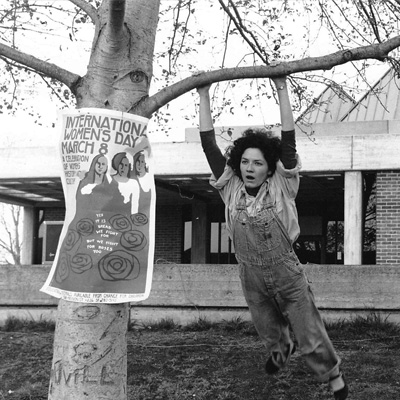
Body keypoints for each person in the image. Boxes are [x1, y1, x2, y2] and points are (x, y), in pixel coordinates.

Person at [196, 76, 348, 400]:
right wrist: (204, 94)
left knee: (310, 333)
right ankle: (281, 350)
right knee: (266, 327)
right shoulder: (231, 189)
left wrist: (281, 88)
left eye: (258, 163)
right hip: (250, 273)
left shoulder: (283, 185)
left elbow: (289, 140)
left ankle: (332, 374)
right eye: (245, 162)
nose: (250, 168)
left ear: (269, 167)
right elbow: (208, 144)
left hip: (287, 273)